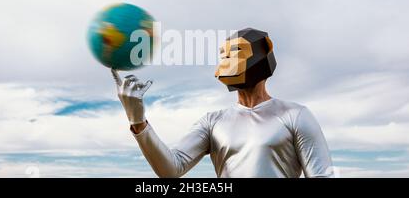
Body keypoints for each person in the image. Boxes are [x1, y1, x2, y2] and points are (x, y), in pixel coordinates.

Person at [111, 28, 333, 178]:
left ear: (263, 55)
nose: (227, 60)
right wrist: (137, 120)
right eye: (223, 54)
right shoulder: (212, 122)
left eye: (236, 51)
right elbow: (171, 169)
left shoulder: (295, 115)